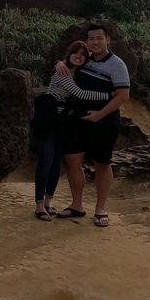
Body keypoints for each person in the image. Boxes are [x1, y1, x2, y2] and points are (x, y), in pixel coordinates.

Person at [55, 24, 130, 227]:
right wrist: (59, 63)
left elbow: (123, 96)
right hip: (78, 118)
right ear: (87, 41)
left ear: (108, 40)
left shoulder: (117, 64)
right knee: (72, 159)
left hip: (105, 120)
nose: (95, 42)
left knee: (102, 164)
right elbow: (69, 60)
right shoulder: (85, 59)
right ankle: (77, 205)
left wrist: (99, 115)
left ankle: (100, 209)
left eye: (99, 38)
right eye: (91, 39)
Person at [33, 40, 111, 221]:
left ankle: (48, 202)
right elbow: (81, 94)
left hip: (64, 123)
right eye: (75, 53)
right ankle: (39, 205)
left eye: (83, 55)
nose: (79, 56)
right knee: (46, 161)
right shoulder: (62, 73)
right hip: (49, 121)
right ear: (68, 55)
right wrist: (110, 95)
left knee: (56, 162)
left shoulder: (78, 75)